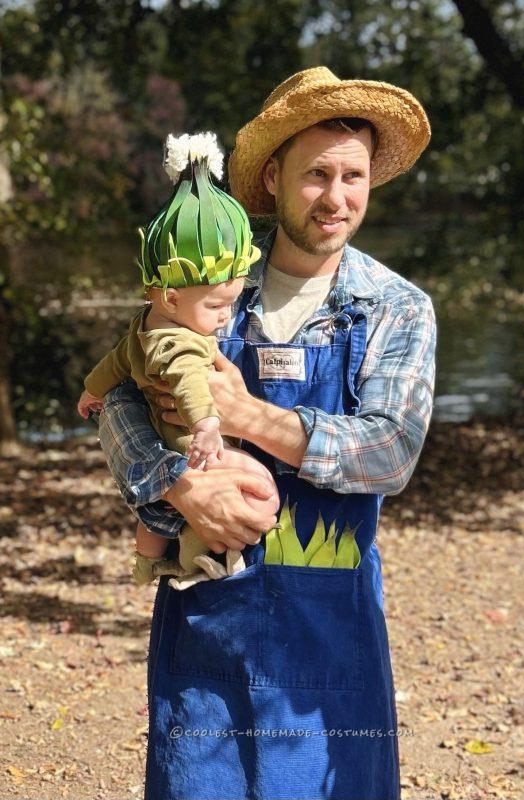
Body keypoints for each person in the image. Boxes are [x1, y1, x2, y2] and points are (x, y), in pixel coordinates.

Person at [97, 67, 437, 800]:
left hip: (331, 629)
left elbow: (389, 453)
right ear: (274, 175)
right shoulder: (213, 277)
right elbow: (122, 395)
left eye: (353, 176)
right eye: (317, 175)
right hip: (206, 619)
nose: (337, 198)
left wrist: (251, 417)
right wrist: (176, 485)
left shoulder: (394, 309)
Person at [77, 131, 280, 587]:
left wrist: (91, 390)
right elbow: (190, 382)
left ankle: (147, 561)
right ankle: (199, 561)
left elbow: (115, 363)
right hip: (189, 444)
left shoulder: (144, 325)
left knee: (153, 517)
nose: (226, 316)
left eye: (231, 302)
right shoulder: (182, 342)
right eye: (215, 307)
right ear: (169, 295)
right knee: (258, 491)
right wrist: (208, 424)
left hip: (160, 438)